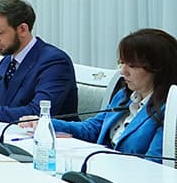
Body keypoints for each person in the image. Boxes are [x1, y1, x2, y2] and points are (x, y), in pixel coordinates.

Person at [26, 29, 176, 161]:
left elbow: (155, 164)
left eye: (132, 66)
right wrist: (46, 123)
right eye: (122, 63)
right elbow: (92, 128)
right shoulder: (124, 96)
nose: (123, 71)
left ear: (157, 69)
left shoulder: (170, 111)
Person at [0, 0, 77, 122]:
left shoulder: (54, 62)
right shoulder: (7, 62)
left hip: (52, 133)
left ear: (22, 30)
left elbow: (38, 113)